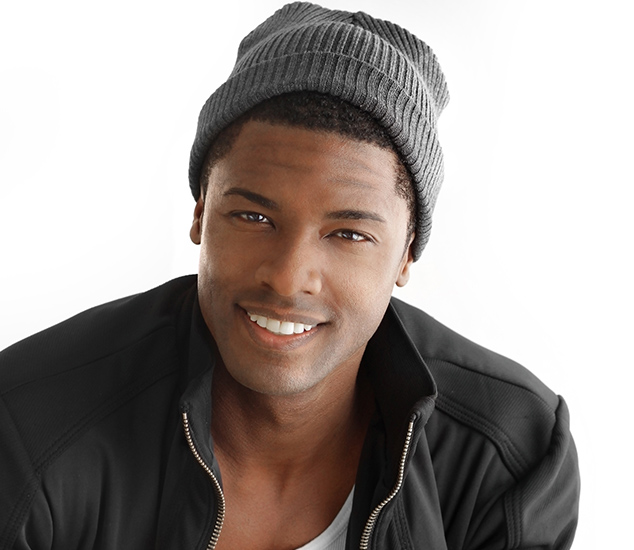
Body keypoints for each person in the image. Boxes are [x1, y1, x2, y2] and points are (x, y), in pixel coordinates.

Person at [0, 2, 579, 549]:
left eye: (348, 234)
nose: (286, 277)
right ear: (200, 212)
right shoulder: (26, 431)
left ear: (406, 255)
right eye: (253, 217)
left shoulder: (507, 452)